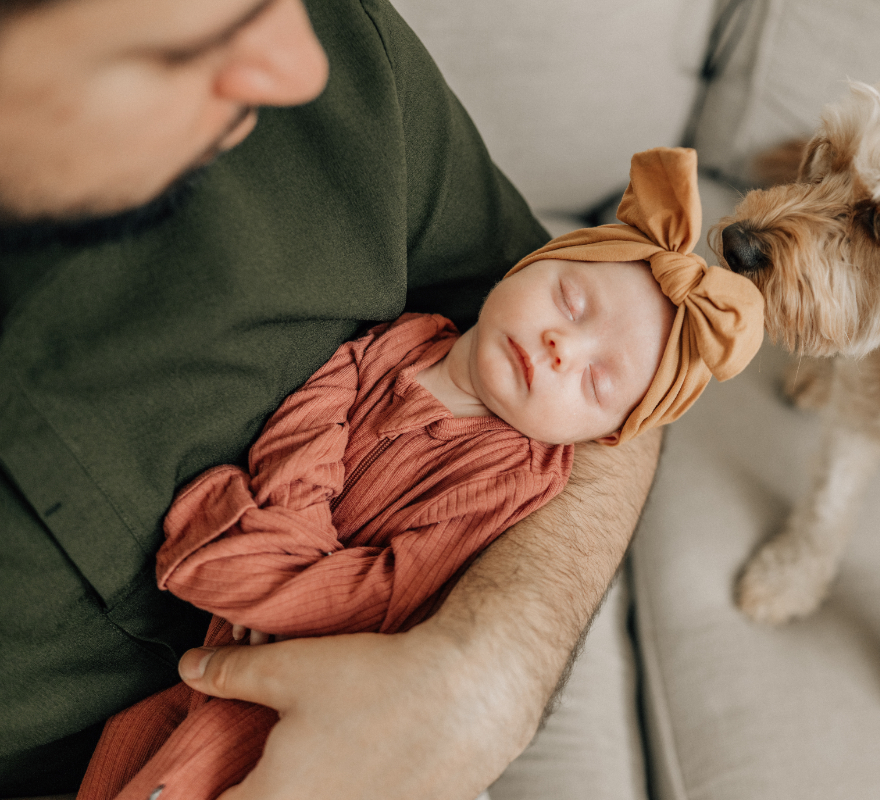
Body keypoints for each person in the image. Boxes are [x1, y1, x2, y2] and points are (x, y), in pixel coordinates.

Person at [0, 2, 691, 799]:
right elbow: (329, 410)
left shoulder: (339, 56)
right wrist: (274, 535)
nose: (302, 68)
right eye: (200, 36)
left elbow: (636, 408)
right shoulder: (413, 351)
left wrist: (493, 670)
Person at [76, 147, 765, 800]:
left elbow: (390, 588)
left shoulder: (515, 477)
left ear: (605, 436)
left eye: (596, 380)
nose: (562, 346)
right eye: (570, 302)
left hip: (318, 683)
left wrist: (277, 588)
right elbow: (308, 421)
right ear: (522, 266)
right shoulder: (404, 338)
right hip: (230, 623)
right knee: (126, 747)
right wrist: (290, 533)